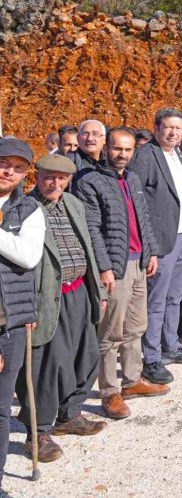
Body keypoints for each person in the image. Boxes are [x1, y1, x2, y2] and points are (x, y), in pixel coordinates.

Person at [17, 154, 106, 462]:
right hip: (46, 298)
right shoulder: (25, 209)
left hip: (79, 291)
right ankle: (38, 433)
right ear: (37, 177)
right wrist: (22, 308)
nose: (55, 184)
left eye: (62, 179)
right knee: (46, 366)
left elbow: (89, 247)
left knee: (86, 356)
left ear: (69, 180)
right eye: (49, 177)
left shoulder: (74, 204)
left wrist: (100, 289)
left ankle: (69, 415)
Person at [72, 128, 165, 420]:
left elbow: (143, 218)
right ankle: (110, 392)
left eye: (127, 150)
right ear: (105, 148)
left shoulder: (133, 179)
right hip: (116, 266)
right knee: (110, 332)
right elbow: (92, 229)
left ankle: (133, 380)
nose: (122, 154)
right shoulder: (89, 181)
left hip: (139, 263)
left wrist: (150, 251)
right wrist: (104, 267)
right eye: (116, 149)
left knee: (136, 326)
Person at [128, 108, 182, 384]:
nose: (173, 132)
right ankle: (152, 359)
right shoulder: (145, 156)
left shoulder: (178, 154)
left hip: (181, 236)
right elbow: (138, 202)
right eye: (168, 127)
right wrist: (150, 247)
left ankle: (171, 346)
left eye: (178, 128)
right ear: (156, 128)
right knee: (156, 301)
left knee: (174, 297)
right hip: (161, 241)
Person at [0, 139, 45, 487]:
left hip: (8, 322)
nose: (8, 171)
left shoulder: (28, 209)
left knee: (0, 406)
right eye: (3, 163)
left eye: (17, 167)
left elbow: (29, 257)